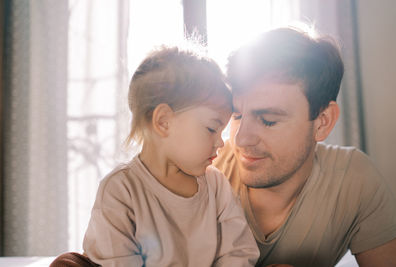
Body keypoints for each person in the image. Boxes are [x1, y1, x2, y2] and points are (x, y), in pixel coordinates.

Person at [52, 46, 259, 267]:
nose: (221, 142)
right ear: (163, 122)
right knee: (67, 264)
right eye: (211, 129)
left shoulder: (216, 184)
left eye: (222, 132)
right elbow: (119, 260)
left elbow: (239, 250)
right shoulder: (121, 190)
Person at [213, 27, 396, 267]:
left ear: (323, 122)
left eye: (268, 120)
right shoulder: (205, 172)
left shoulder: (354, 180)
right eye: (237, 116)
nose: (240, 140)